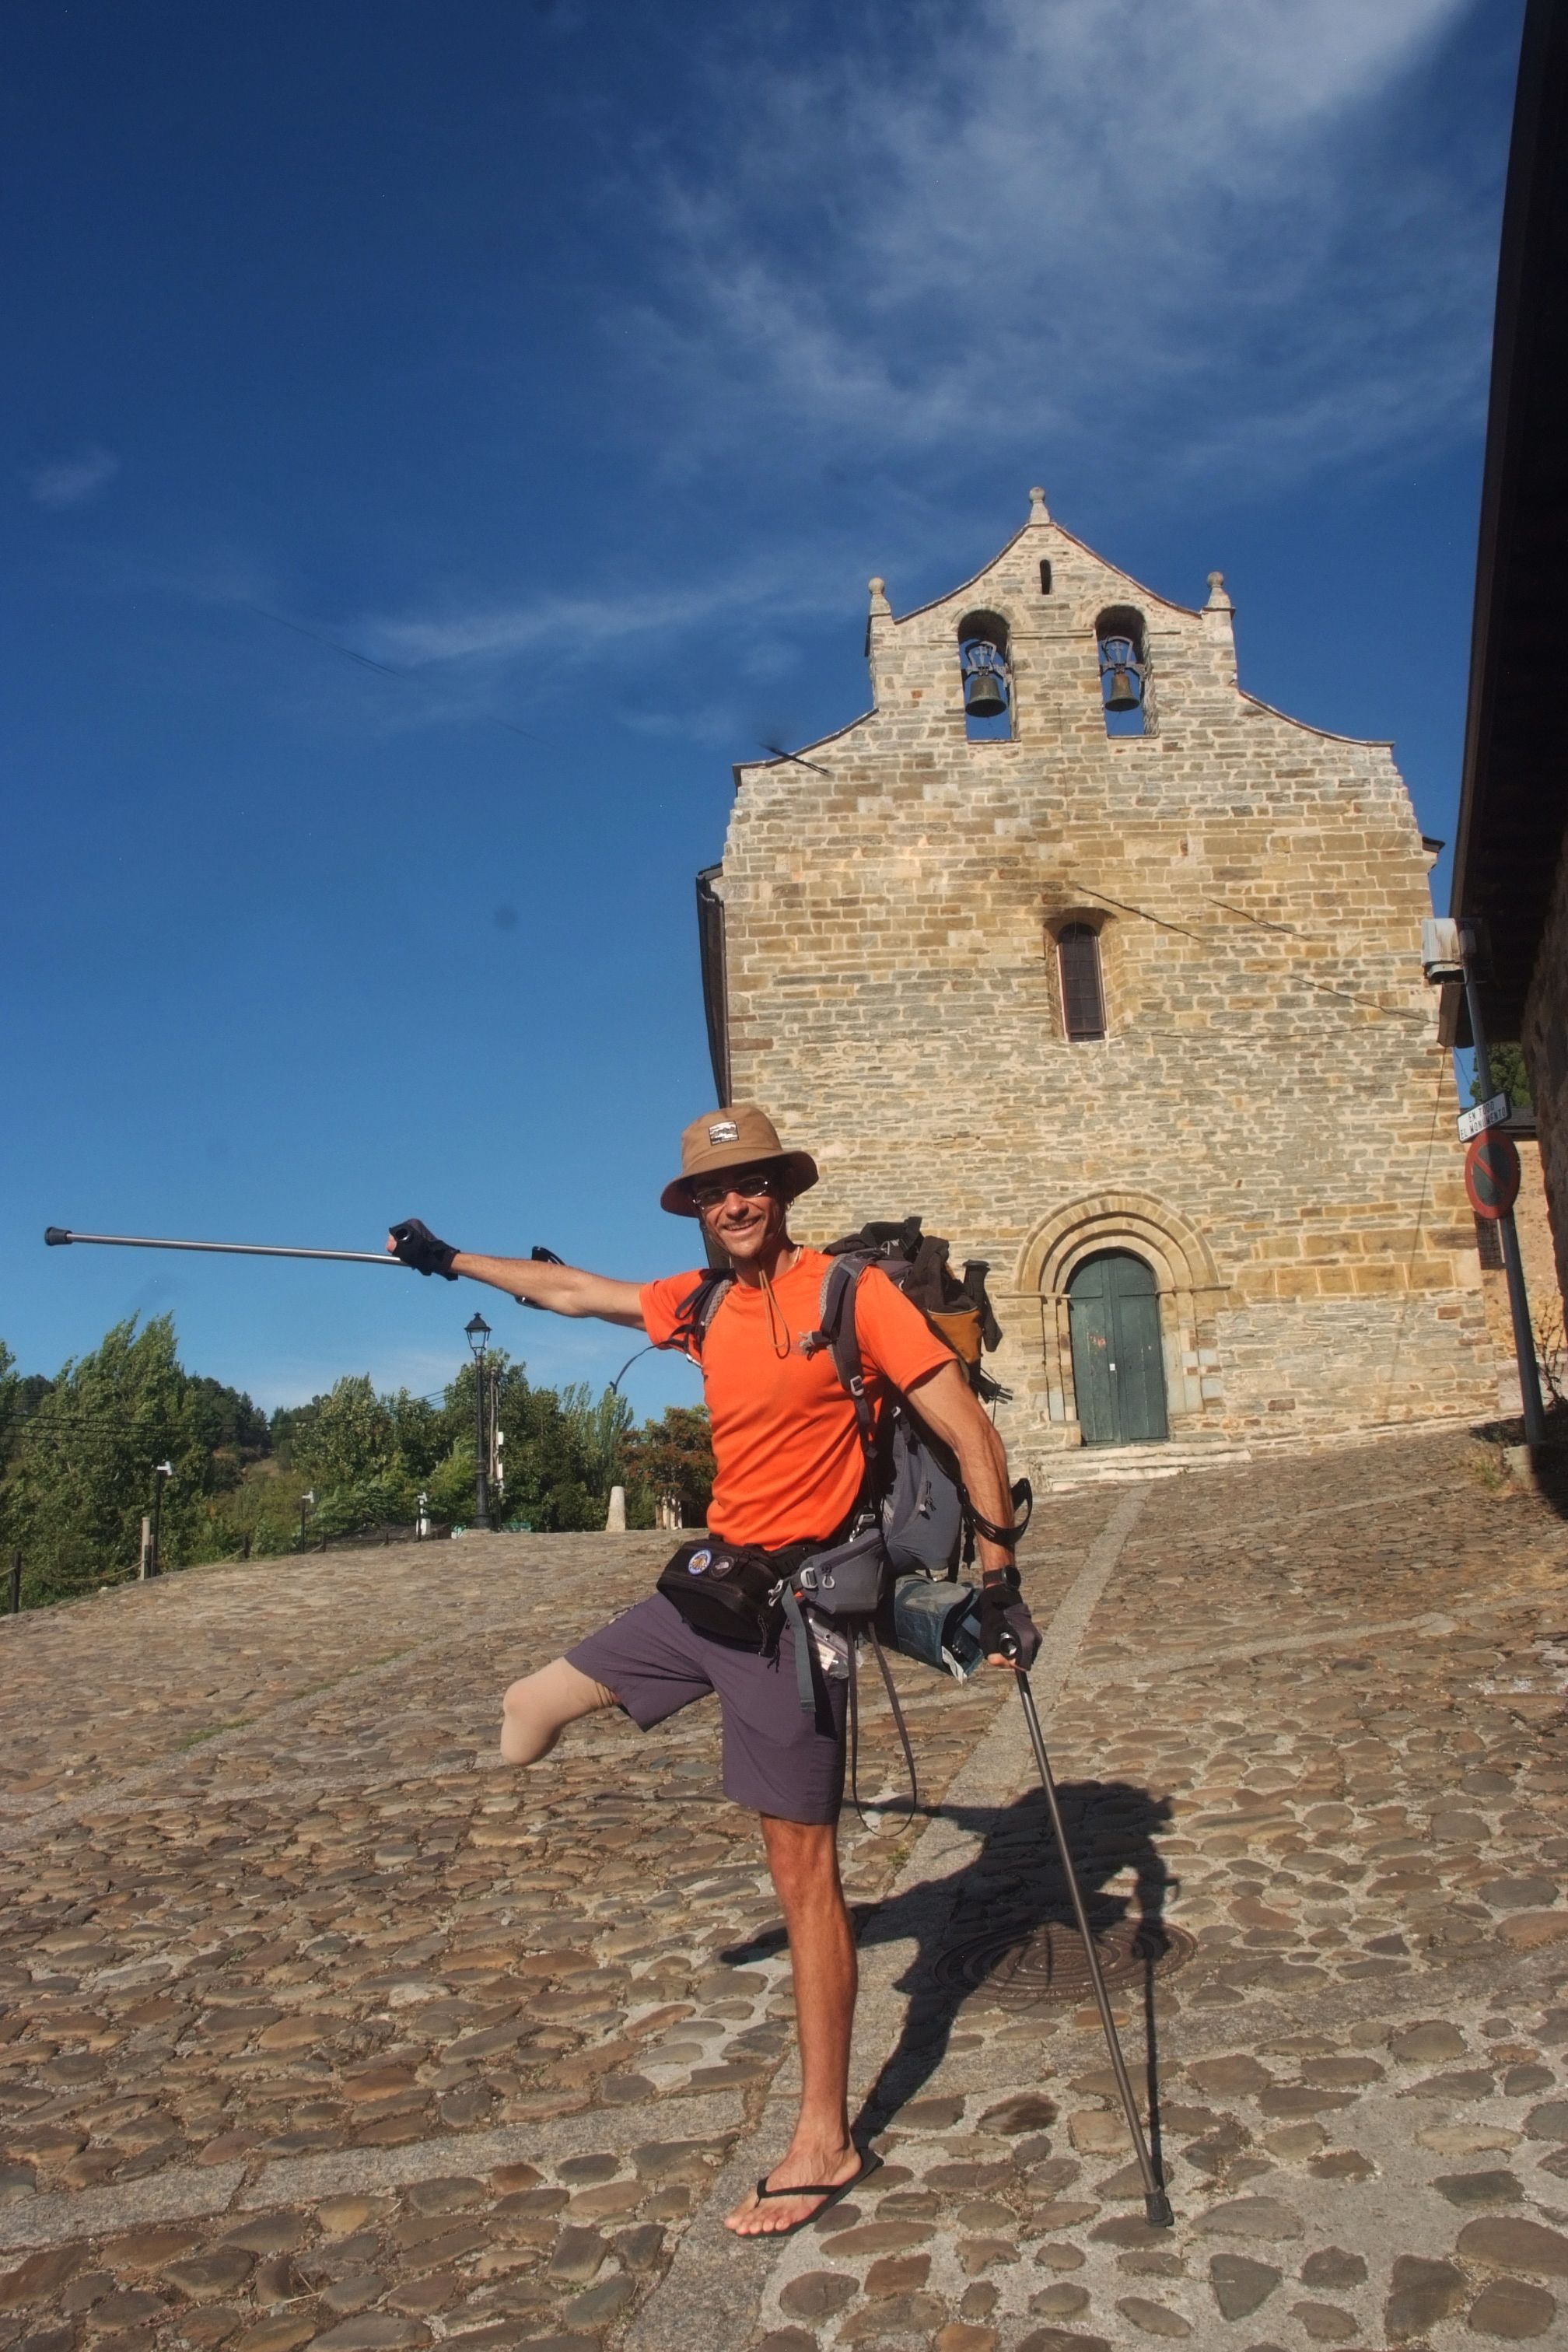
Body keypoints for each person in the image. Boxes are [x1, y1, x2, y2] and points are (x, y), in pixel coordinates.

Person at [388, 1104, 1038, 2239]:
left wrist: (997, 1569)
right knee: (526, 1707)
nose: (734, 1203)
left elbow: (964, 1424)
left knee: (804, 1882)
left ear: (781, 1191)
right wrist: (453, 1261)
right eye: (712, 1190)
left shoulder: (848, 1296)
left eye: (751, 1184)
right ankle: (538, 1732)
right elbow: (574, 1292)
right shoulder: (701, 1306)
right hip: (712, 1590)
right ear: (695, 1208)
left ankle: (825, 2139)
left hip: (796, 1618)